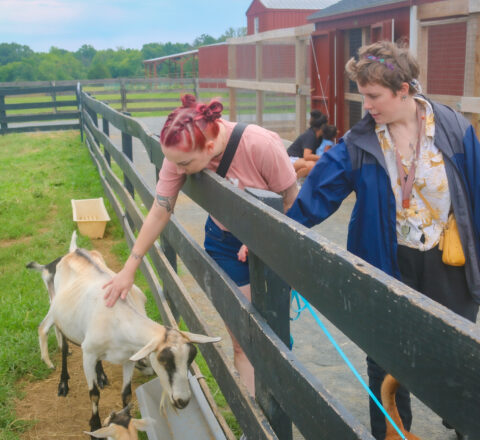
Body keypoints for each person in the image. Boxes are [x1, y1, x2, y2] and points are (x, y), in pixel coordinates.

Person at [287, 40, 480, 440]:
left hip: (448, 261)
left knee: (457, 350)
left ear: (404, 90)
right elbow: (318, 195)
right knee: (385, 355)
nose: (367, 105)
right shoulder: (359, 143)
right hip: (386, 259)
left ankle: (463, 422)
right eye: (363, 96)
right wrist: (275, 231)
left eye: (374, 96)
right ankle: (391, 432)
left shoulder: (455, 129)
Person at [103, 94, 298, 396]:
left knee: (274, 337)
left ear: (209, 147)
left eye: (184, 164)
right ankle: (256, 421)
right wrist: (130, 267)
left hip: (268, 242)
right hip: (224, 242)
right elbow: (160, 208)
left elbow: (291, 201)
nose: (177, 171)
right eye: (174, 162)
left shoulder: (261, 145)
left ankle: (282, 401)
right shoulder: (179, 153)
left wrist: (264, 241)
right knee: (242, 340)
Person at [287, 110, 328, 178]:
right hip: (291, 159)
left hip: (299, 160)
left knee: (318, 165)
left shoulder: (320, 137)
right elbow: (307, 156)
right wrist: (324, 157)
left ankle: (297, 179)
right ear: (322, 127)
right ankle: (293, 181)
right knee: (312, 165)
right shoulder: (310, 136)